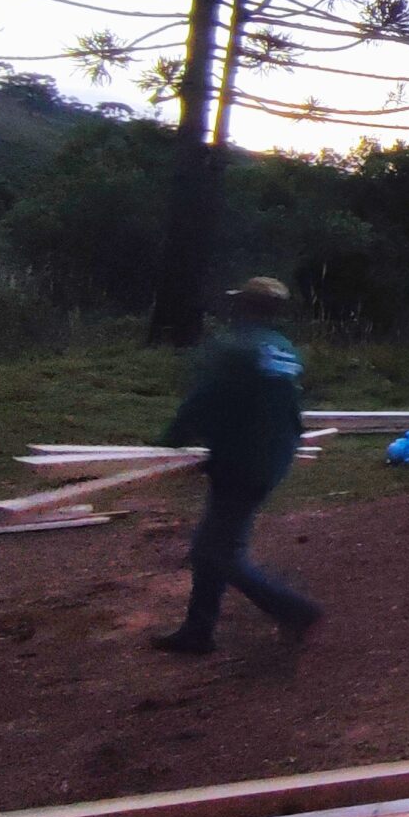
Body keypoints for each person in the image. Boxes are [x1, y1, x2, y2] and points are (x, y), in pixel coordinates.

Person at [150, 276, 322, 654]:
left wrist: (172, 439)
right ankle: (198, 632)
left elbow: (204, 399)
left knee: (214, 553)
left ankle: (295, 610)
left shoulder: (234, 347)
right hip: (272, 458)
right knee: (219, 545)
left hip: (240, 462)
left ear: (243, 305)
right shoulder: (284, 349)